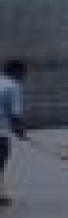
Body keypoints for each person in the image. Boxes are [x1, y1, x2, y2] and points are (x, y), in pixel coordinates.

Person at [0, 59, 25, 206]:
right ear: (17, 72)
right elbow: (14, 114)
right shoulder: (13, 86)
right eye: (23, 74)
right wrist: (19, 130)